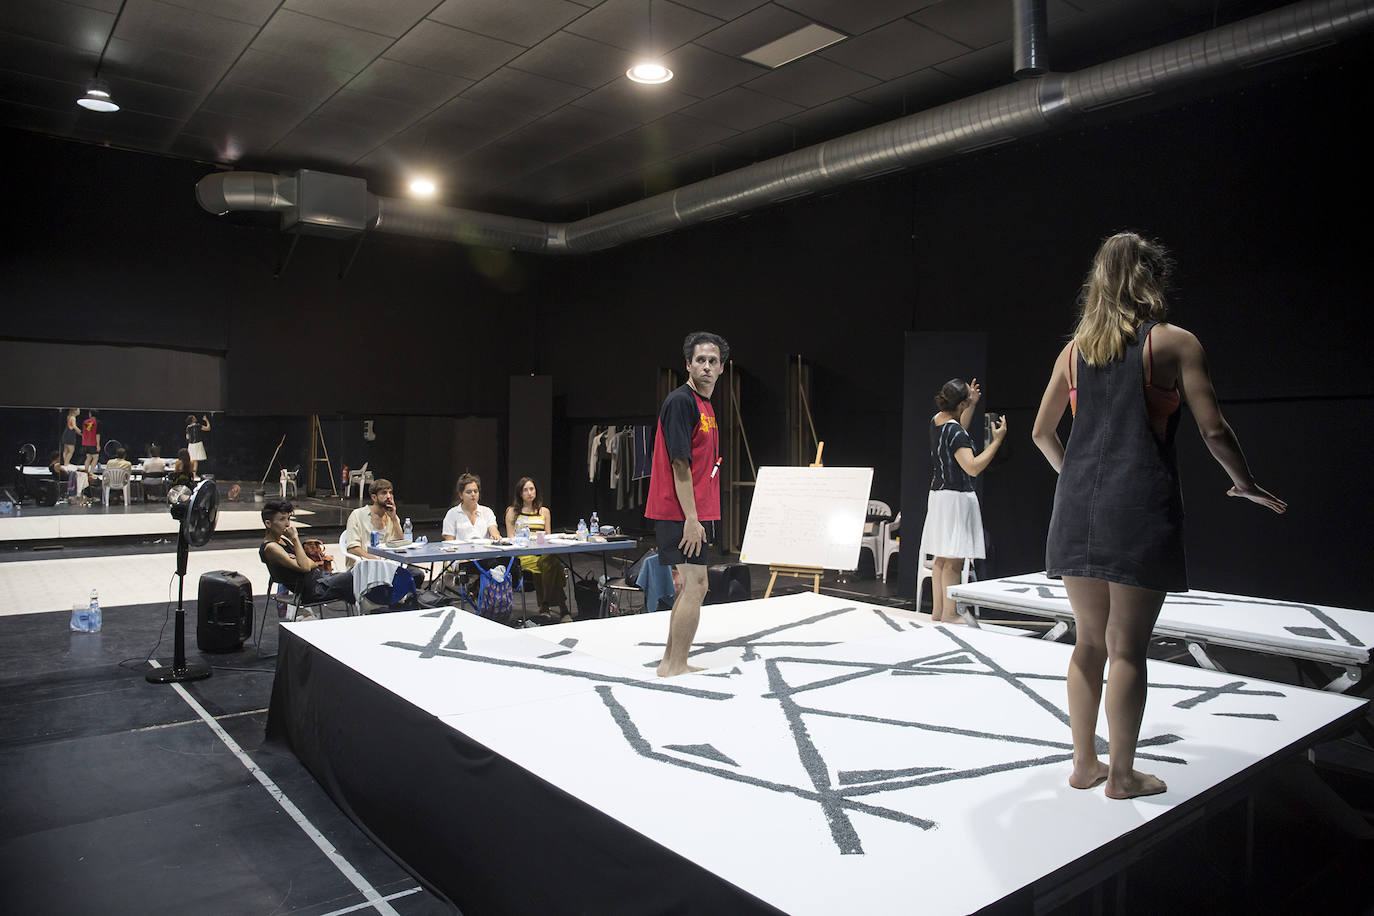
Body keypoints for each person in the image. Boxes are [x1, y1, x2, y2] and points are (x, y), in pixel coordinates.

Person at [1032, 231, 1286, 800]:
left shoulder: (1073, 353)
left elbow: (1041, 432)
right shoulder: (1173, 344)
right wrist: (1244, 483)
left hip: (1076, 513)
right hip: (1136, 510)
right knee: (1126, 648)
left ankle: (1084, 765)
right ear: (1150, 278)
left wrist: (1078, 482)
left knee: (1088, 644)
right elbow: (1213, 429)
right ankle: (1122, 777)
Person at [646, 331, 728, 677]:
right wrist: (692, 519)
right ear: (688, 365)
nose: (706, 366)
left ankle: (671, 661)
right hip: (680, 512)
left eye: (713, 361)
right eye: (700, 360)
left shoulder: (705, 405)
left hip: (692, 510)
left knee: (690, 586)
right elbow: (680, 464)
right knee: (697, 585)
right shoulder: (681, 402)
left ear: (721, 368)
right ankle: (675, 664)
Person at [921, 378, 1007, 623]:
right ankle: (951, 613)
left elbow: (957, 429)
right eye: (968, 398)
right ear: (960, 404)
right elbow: (972, 467)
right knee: (954, 560)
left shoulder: (937, 420)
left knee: (941, 558)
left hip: (939, 496)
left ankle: (939, 611)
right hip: (955, 499)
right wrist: (996, 441)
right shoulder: (955, 431)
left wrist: (972, 404)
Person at [260, 500, 354, 616]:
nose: (288, 524)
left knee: (358, 574)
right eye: (282, 519)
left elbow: (311, 563)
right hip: (312, 589)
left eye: (288, 519)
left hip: (321, 579)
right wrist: (295, 539)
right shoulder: (271, 547)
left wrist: (300, 561)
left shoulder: (283, 539)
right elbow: (305, 567)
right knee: (355, 578)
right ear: (268, 523)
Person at [505, 476, 570, 621]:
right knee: (554, 566)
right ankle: (562, 608)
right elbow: (510, 538)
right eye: (525, 490)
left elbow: (548, 536)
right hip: (524, 554)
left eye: (531, 489)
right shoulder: (512, 512)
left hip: (543, 552)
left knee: (549, 560)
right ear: (520, 493)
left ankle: (545, 605)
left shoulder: (544, 511)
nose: (529, 493)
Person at [443, 473, 503, 541]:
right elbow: (449, 541)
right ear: (461, 495)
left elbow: (494, 531)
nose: (473, 494)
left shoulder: (487, 511)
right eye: (469, 492)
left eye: (475, 491)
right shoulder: (452, 513)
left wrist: (495, 536)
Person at [80, 410, 99, 476]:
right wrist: (98, 444)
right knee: (96, 457)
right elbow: (97, 434)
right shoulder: (97, 422)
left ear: (90, 414)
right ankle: (91, 472)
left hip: (85, 442)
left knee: (88, 457)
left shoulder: (85, 422)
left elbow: (83, 432)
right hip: (93, 443)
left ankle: (86, 472)